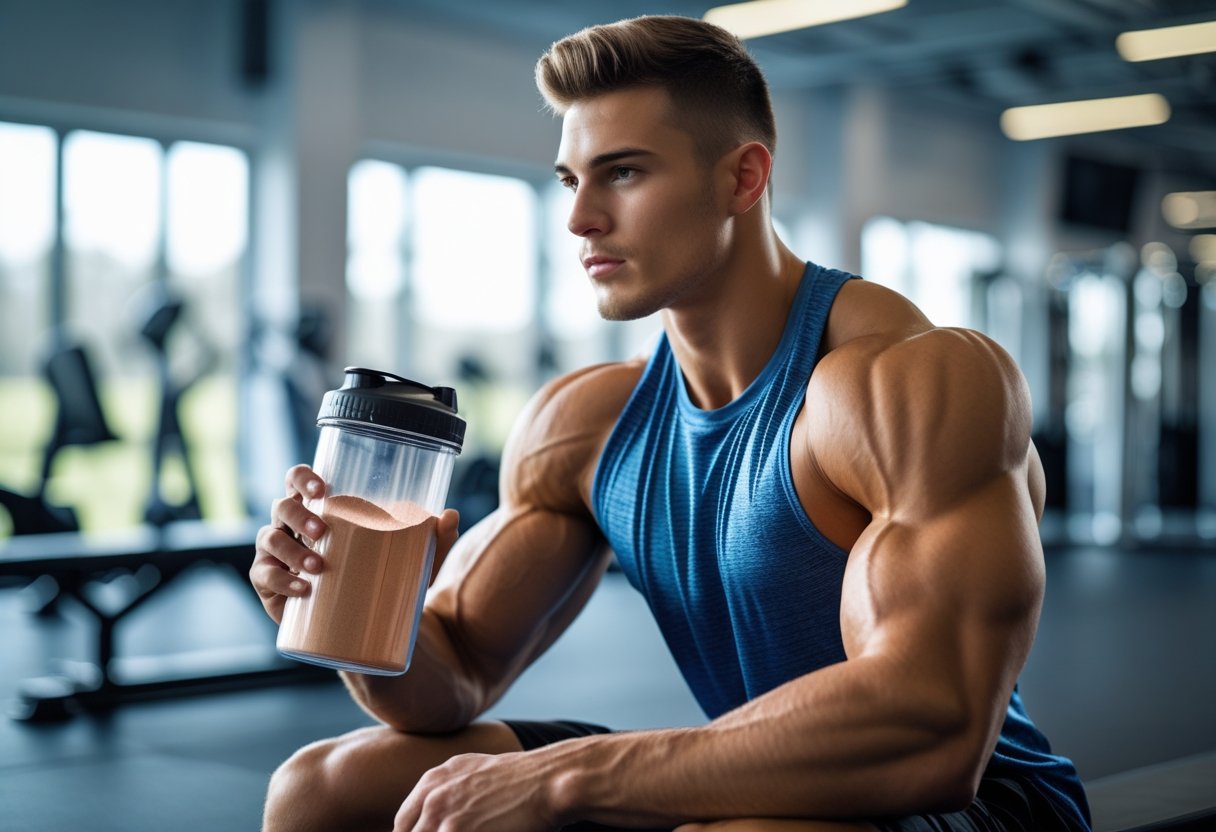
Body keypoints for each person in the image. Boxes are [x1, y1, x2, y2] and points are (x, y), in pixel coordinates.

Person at [250, 14, 1092, 832]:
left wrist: (561, 779)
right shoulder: (586, 424)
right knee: (326, 787)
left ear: (743, 178)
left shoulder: (906, 381)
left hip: (977, 800)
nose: (581, 219)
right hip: (748, 773)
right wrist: (350, 599)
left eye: (623, 173)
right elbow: (454, 677)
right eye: (570, 180)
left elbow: (933, 727)